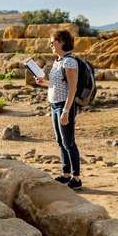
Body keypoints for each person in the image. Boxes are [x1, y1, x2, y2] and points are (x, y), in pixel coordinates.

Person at [34, 30, 82, 190]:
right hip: (54, 104)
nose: (50, 45)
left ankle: (76, 178)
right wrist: (43, 83)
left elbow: (72, 88)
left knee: (69, 142)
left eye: (52, 41)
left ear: (61, 42)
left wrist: (66, 111)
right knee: (60, 141)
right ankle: (66, 174)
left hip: (64, 105)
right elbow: (55, 84)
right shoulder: (57, 61)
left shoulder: (69, 62)